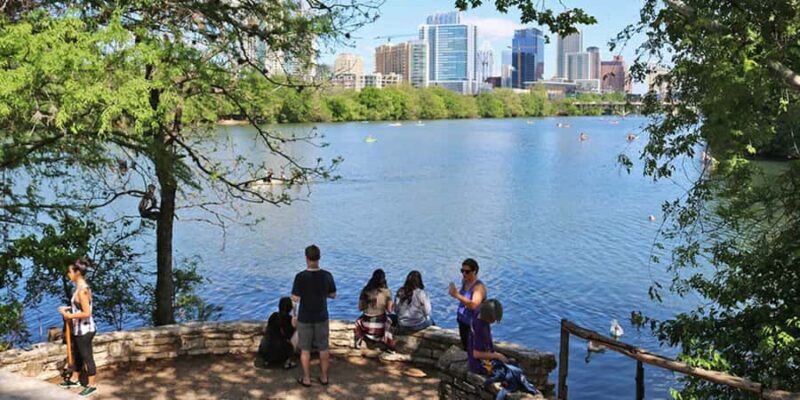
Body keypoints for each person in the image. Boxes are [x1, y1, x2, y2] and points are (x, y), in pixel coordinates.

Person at [291, 245, 336, 387]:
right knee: (323, 348)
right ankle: (324, 377)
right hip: (322, 316)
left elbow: (295, 298)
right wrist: (323, 294)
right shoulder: (327, 275)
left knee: (305, 350)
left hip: (305, 317)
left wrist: (294, 315)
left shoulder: (300, 277)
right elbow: (333, 295)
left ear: (306, 258)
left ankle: (307, 378)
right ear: (319, 257)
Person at [58, 258, 99, 397]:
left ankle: (92, 385)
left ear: (77, 273)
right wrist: (69, 309)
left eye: (70, 272)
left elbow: (87, 313)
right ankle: (75, 379)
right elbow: (80, 307)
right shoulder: (79, 289)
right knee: (77, 355)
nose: (68, 274)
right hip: (78, 329)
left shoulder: (83, 291)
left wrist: (69, 316)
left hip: (85, 330)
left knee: (87, 356)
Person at [449, 258, 486, 351]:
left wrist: (456, 295)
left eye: (467, 271)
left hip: (473, 324)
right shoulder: (465, 281)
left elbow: (474, 305)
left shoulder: (479, 287)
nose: (464, 274)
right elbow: (464, 298)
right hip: (462, 320)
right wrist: (454, 292)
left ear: (475, 272)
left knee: (473, 349)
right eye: (462, 271)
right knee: (466, 347)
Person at [354, 269, 396, 351]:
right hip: (380, 327)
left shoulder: (365, 290)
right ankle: (389, 345)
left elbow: (360, 308)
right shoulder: (387, 292)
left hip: (366, 326)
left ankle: (358, 339)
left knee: (358, 320)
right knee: (392, 319)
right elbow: (389, 310)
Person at [467, 299, 508, 376]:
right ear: (489, 317)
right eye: (494, 319)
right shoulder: (481, 329)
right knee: (506, 372)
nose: (494, 321)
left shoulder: (478, 312)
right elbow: (476, 354)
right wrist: (497, 356)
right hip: (479, 363)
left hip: (479, 354)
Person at [258, 297, 297, 369]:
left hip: (265, 352)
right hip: (280, 355)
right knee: (297, 334)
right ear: (290, 308)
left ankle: (268, 360)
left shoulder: (273, 316)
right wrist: (294, 312)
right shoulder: (289, 319)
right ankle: (287, 362)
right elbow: (290, 335)